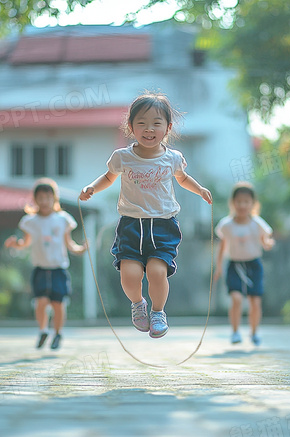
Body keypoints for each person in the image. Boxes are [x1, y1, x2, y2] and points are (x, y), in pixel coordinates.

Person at [79, 92, 212, 339]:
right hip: (131, 226)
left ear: (168, 127)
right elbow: (108, 177)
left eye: (156, 123)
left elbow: (182, 179)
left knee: (156, 272)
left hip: (163, 226)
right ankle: (138, 303)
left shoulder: (172, 158)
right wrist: (92, 187)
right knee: (130, 275)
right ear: (131, 127)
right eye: (141, 123)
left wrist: (200, 189)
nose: (149, 129)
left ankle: (158, 312)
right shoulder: (123, 157)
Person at [5, 178, 87, 350]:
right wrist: (16, 244)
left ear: (54, 199)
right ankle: (43, 330)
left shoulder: (63, 219)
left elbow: (69, 243)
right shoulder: (30, 221)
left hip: (59, 269)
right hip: (40, 269)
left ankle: (57, 334)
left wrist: (80, 249)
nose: (44, 201)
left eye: (48, 197)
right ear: (35, 200)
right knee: (41, 301)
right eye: (40, 198)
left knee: (58, 303)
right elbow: (26, 242)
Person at [214, 182, 275, 346]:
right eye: (239, 201)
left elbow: (265, 240)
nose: (242, 205)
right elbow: (222, 246)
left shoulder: (258, 223)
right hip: (234, 265)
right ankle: (235, 331)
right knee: (236, 298)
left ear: (253, 204)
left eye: (246, 201)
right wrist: (218, 266)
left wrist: (268, 243)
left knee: (255, 301)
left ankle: (254, 332)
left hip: (254, 265)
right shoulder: (226, 225)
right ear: (233, 203)